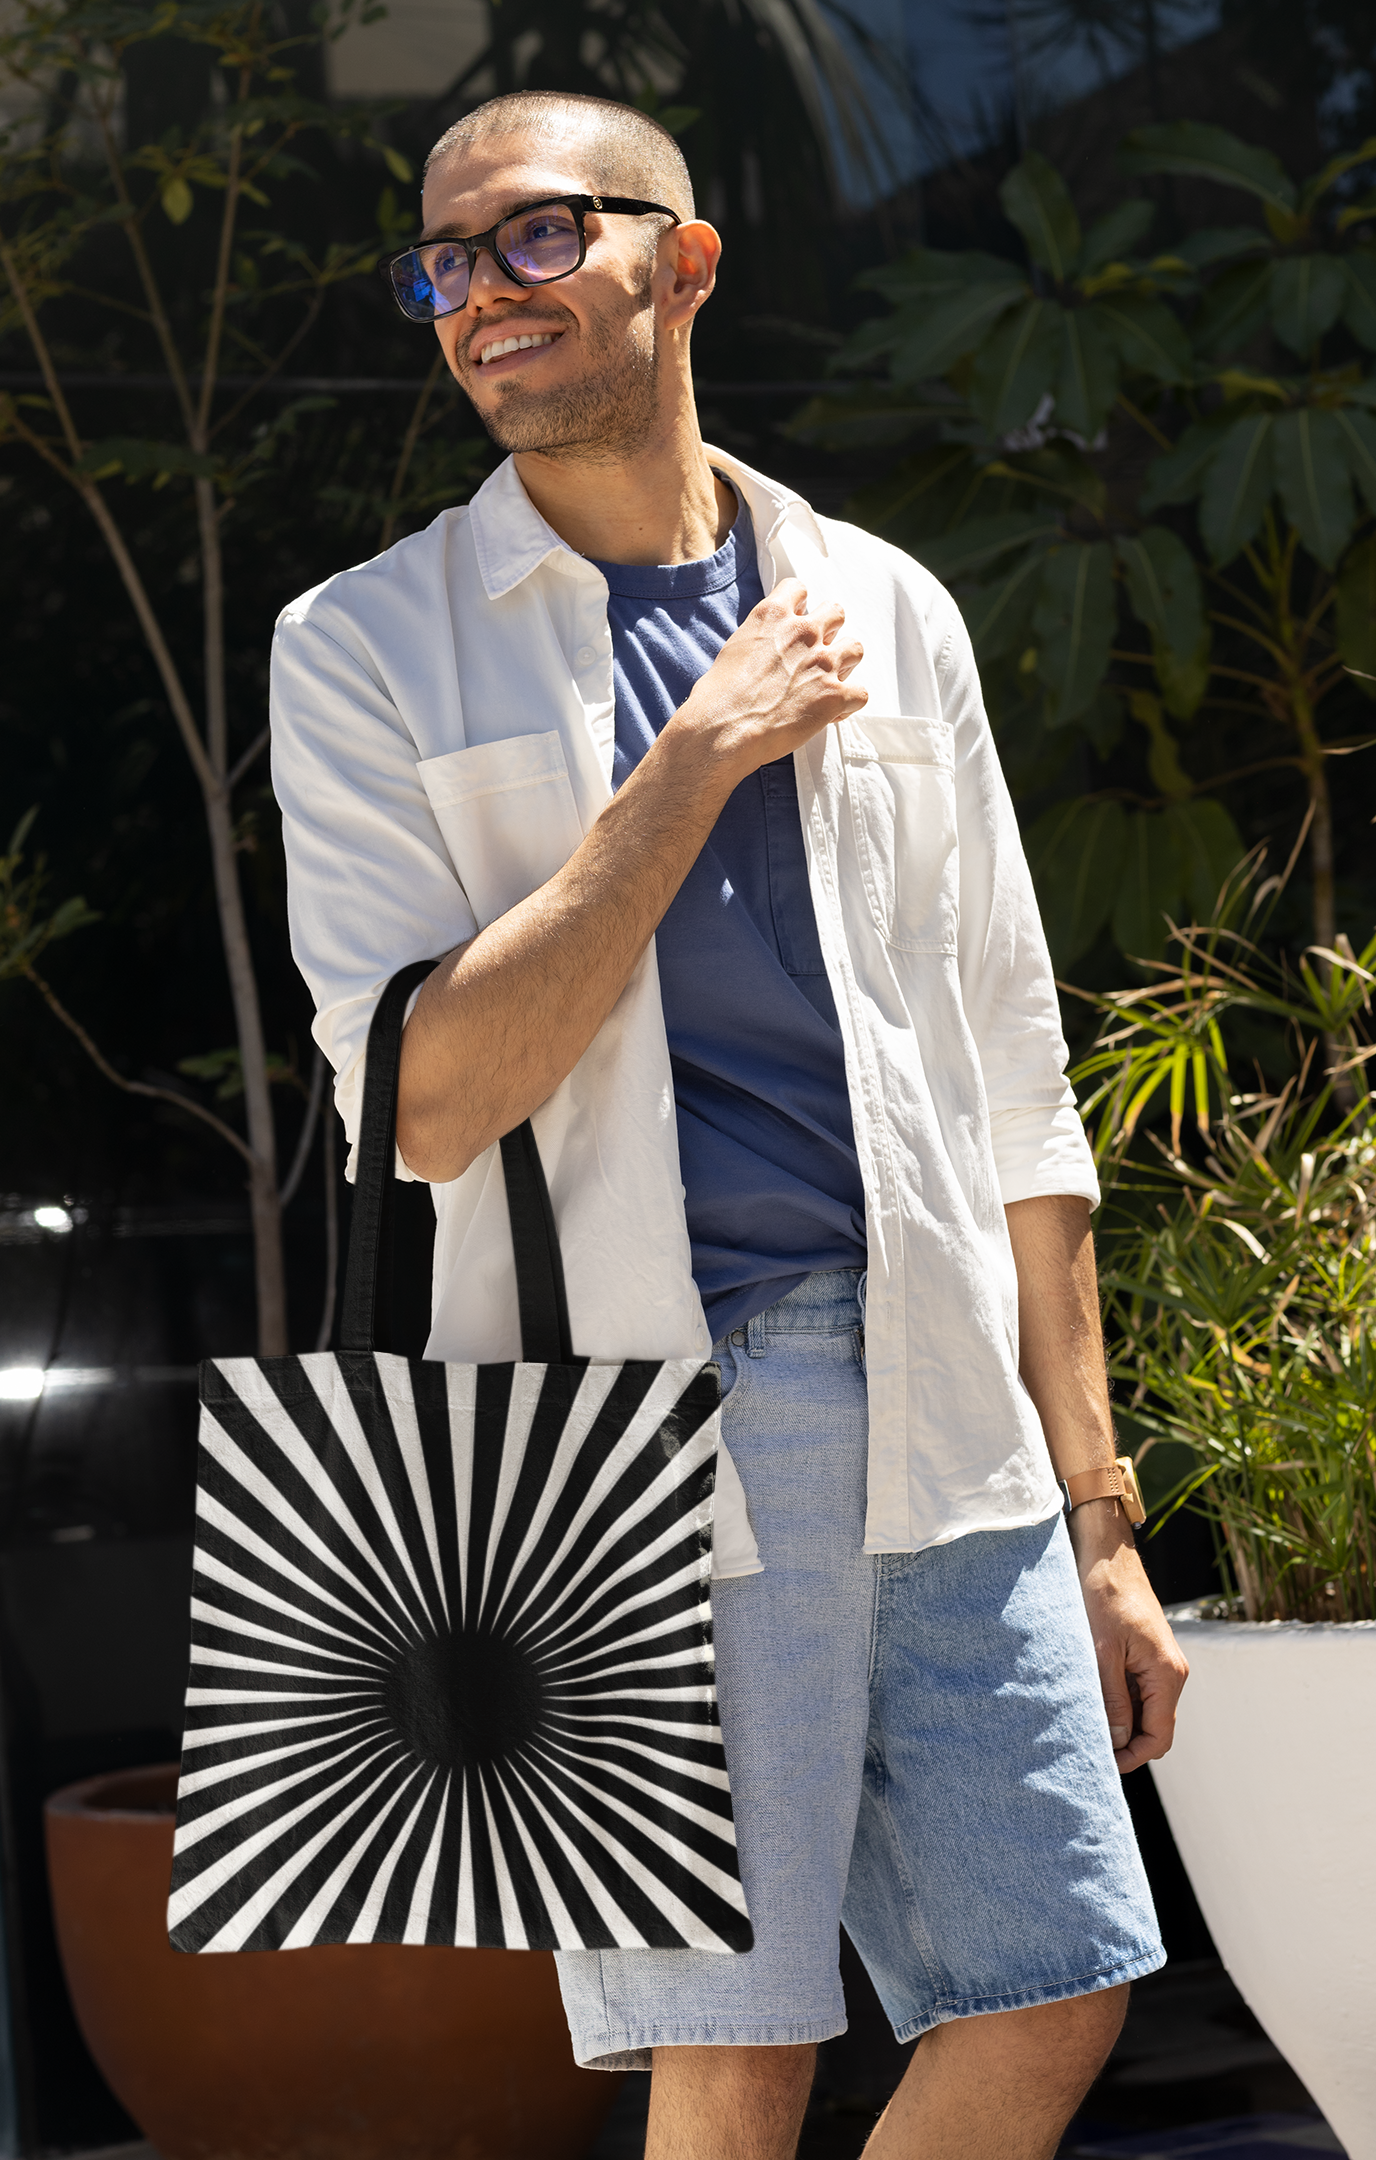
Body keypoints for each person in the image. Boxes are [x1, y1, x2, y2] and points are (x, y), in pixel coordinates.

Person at [270, 89, 1188, 2160]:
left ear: (681, 264)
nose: (479, 298)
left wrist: (1102, 1517)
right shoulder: (364, 647)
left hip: (945, 1389)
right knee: (737, 2055)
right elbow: (420, 1104)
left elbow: (1010, 1075)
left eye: (533, 242)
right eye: (443, 261)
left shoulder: (885, 601)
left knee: (1056, 1991)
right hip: (654, 1421)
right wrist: (691, 762)